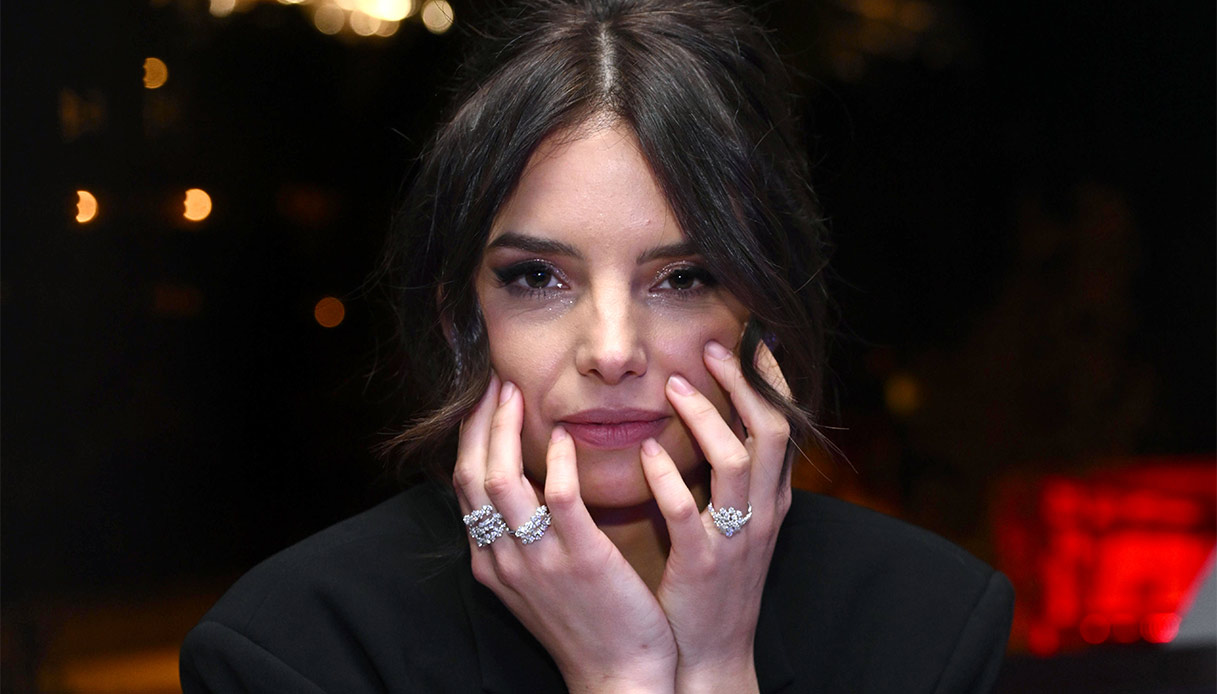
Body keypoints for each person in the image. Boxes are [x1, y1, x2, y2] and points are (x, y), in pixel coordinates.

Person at [180, 1, 1014, 692]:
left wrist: (716, 669)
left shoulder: (925, 624)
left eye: (681, 278)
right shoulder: (297, 651)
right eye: (537, 278)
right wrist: (626, 675)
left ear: (762, 306)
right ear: (458, 315)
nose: (612, 352)